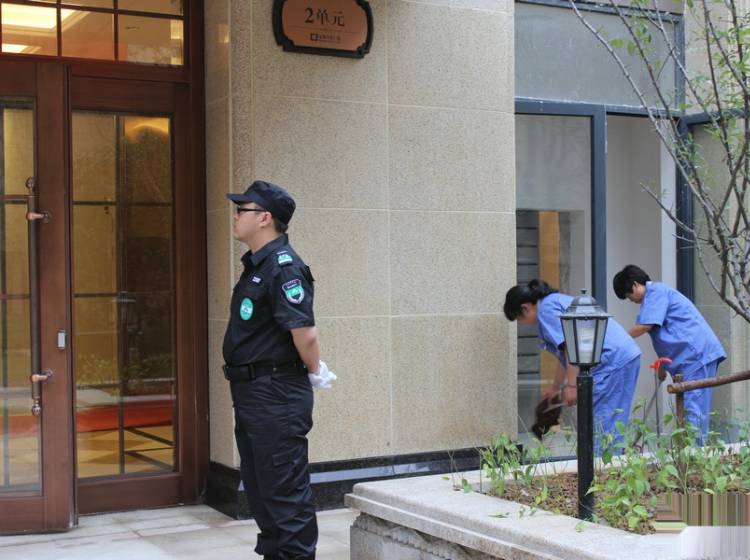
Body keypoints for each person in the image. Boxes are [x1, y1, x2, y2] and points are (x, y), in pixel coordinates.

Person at [223, 180, 335, 560]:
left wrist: (315, 370)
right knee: (261, 491)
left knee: (285, 494)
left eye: (242, 210)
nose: (236, 216)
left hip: (276, 392)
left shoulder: (284, 268)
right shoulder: (258, 265)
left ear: (265, 218)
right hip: (253, 393)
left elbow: (305, 333)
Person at [504, 279, 641, 450]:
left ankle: (604, 463)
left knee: (604, 424)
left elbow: (570, 346)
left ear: (525, 308)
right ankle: (610, 459)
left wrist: (572, 386)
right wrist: (555, 389)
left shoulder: (545, 310)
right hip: (622, 356)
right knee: (610, 420)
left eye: (518, 318)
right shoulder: (553, 301)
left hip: (612, 361)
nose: (522, 323)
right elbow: (565, 356)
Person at [613, 264, 725, 441]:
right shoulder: (653, 299)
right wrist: (662, 365)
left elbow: (646, 326)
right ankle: (691, 452)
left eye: (628, 295)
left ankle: (694, 454)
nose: (631, 300)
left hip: (697, 356)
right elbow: (665, 335)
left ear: (635, 284)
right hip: (690, 359)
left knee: (694, 413)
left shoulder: (656, 292)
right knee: (690, 411)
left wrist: (618, 340)